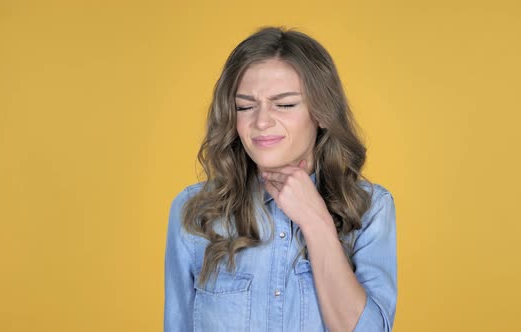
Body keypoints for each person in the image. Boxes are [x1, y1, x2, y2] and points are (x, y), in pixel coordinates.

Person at [164, 26, 397, 332]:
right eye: (245, 106)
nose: (260, 121)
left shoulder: (370, 209)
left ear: (322, 112)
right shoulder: (194, 211)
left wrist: (316, 223)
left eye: (284, 104)